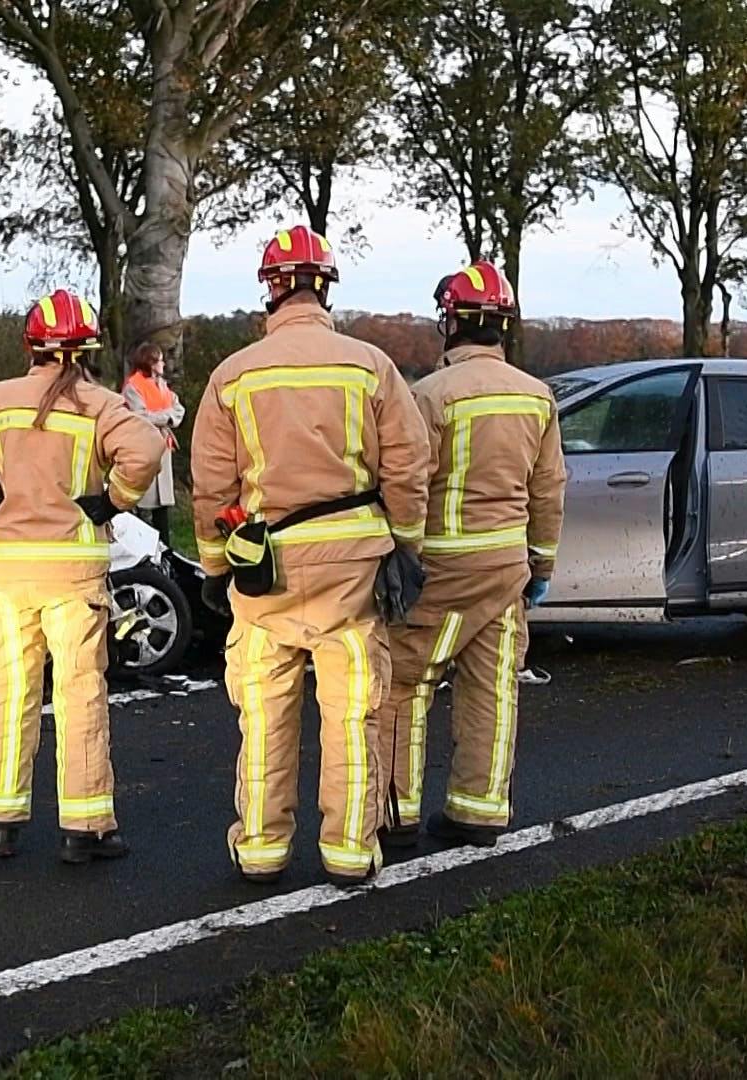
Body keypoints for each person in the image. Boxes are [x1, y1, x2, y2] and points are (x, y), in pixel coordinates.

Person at [190, 225, 432, 887]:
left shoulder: (231, 375)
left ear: (270, 289)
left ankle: (263, 849)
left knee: (264, 714)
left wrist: (215, 567)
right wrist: (404, 545)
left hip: (264, 569)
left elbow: (213, 486)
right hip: (353, 567)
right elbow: (409, 468)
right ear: (325, 286)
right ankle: (351, 852)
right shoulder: (371, 365)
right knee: (353, 713)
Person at [0, 288, 165, 863]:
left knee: (8, 692)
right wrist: (112, 501)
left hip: (10, 569)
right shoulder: (100, 404)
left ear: (31, 346)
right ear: (86, 349)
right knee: (79, 694)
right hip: (73, 571)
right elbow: (146, 450)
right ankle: (85, 828)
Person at [374, 262, 564, 850]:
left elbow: (406, 480)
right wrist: (543, 564)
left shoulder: (428, 396)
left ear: (450, 323)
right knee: (493, 688)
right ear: (503, 326)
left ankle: (397, 813)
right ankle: (480, 811)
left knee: (406, 684)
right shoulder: (538, 397)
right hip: (507, 570)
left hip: (439, 569)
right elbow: (549, 488)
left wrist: (397, 550)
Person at [122, 342, 185, 543]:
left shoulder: (162, 384)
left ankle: (165, 549)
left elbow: (178, 410)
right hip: (144, 449)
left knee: (162, 506)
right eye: (159, 360)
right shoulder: (133, 386)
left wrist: (164, 417)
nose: (164, 364)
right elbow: (140, 416)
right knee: (144, 506)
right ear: (150, 362)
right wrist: (166, 417)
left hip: (163, 447)